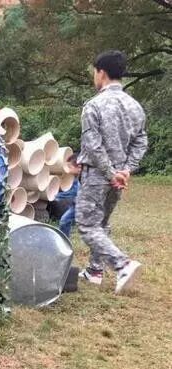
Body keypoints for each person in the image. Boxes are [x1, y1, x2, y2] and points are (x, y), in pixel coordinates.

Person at [76, 50, 148, 294]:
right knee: (102, 224)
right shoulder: (135, 106)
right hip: (118, 178)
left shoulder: (93, 105)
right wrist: (126, 170)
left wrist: (110, 172)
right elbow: (141, 142)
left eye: (94, 72)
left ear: (101, 73)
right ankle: (95, 271)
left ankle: (123, 264)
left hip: (97, 175)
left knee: (87, 225)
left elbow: (92, 146)